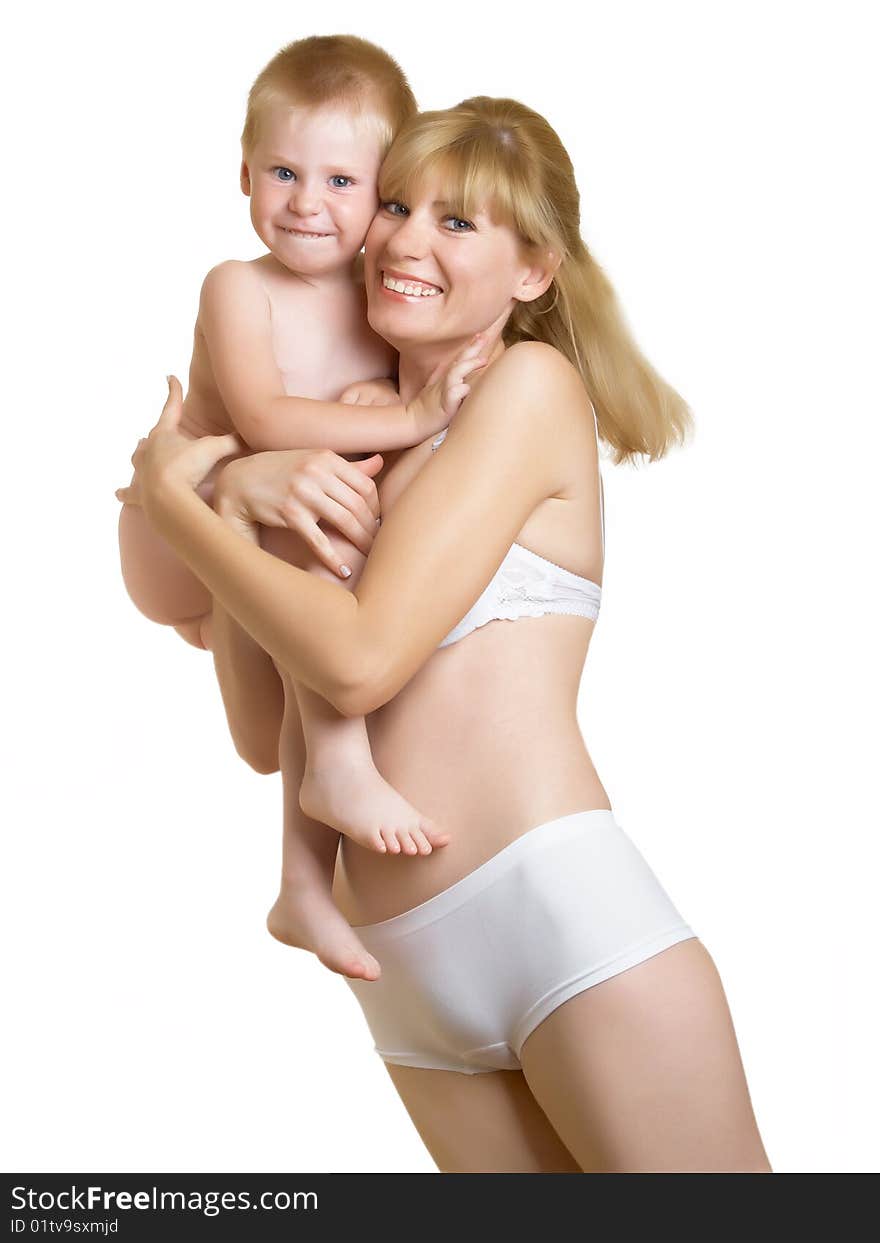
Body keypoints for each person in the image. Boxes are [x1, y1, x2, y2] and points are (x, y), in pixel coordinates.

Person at [122, 96, 772, 1173]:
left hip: (564, 924)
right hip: (405, 966)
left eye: (458, 222)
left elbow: (359, 660)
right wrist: (243, 493)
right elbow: (257, 728)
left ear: (533, 270)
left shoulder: (528, 387)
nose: (405, 241)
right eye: (395, 204)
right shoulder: (351, 431)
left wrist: (188, 504)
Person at [116, 35, 489, 983]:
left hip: (265, 542)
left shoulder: (380, 303)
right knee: (312, 484)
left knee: (328, 524)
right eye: (283, 172)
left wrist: (384, 409)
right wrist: (404, 411)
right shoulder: (238, 287)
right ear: (243, 174)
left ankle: (301, 890)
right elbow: (264, 418)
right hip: (182, 522)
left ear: (382, 194)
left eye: (339, 181)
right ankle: (338, 766)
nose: (306, 203)